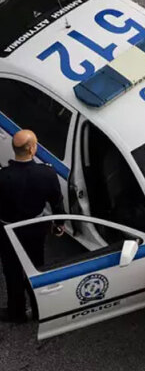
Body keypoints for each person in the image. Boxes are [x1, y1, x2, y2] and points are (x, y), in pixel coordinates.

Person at [0, 129, 64, 323]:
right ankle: (39, 309)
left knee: (12, 270)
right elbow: (56, 201)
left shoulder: (3, 176)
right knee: (36, 267)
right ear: (31, 149)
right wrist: (59, 224)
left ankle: (17, 312)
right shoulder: (47, 173)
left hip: (8, 231)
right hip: (36, 229)